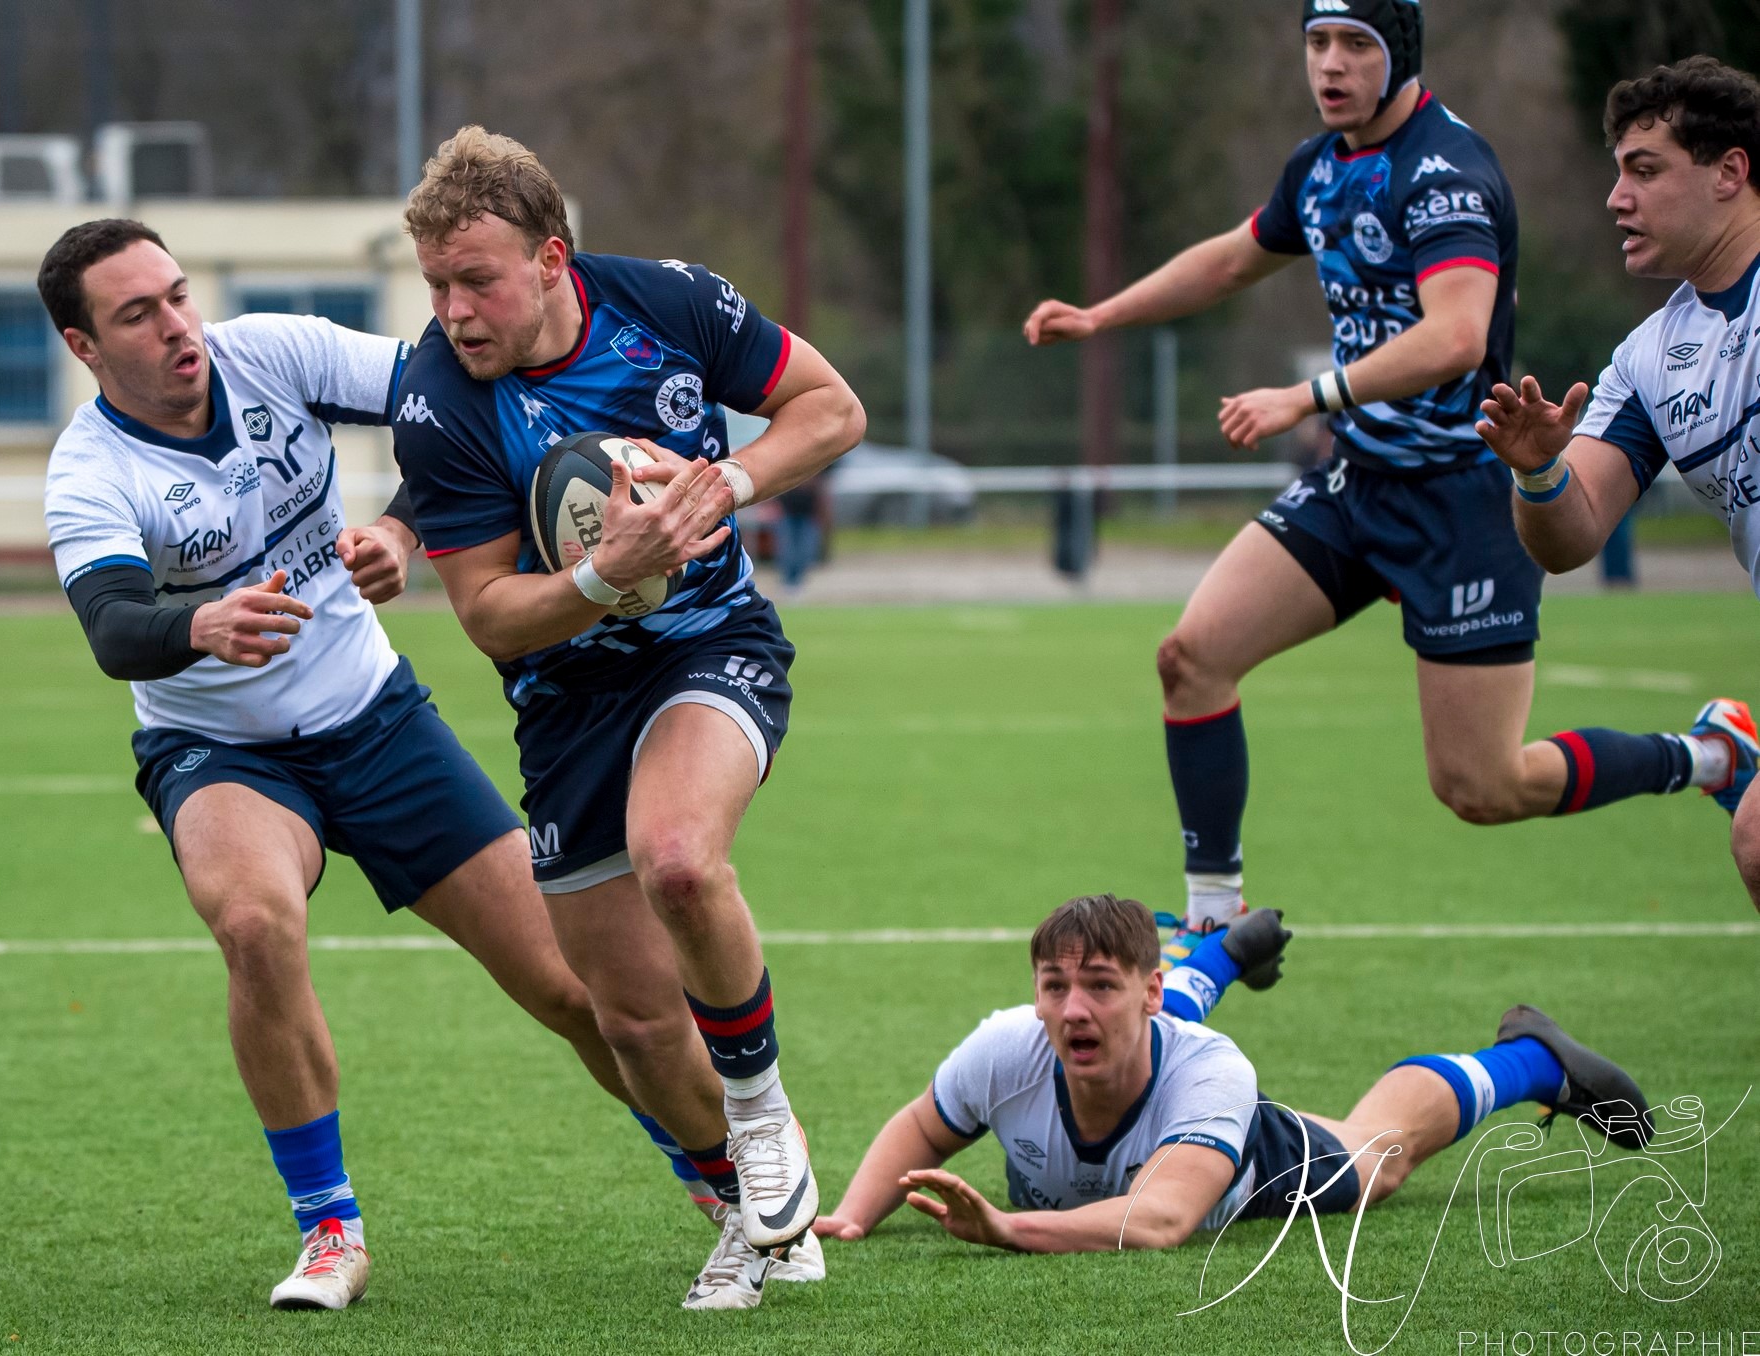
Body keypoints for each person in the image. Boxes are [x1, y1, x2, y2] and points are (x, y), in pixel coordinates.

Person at [1023, 0, 1734, 969]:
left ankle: (1708, 756)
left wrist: (1304, 395)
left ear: (1399, 53)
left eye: (1355, 43)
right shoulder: (1320, 167)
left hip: (1465, 502)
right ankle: (1215, 914)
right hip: (1360, 487)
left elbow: (1457, 337)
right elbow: (1234, 258)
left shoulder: (1446, 177)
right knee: (1190, 658)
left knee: (1481, 786)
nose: (1330, 64)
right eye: (1316, 43)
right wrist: (1102, 317)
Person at [39, 218, 652, 1312]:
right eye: (138, 314)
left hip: (374, 718)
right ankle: (329, 1230)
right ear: (85, 347)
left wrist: (407, 529)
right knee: (255, 926)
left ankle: (722, 1171)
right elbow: (113, 624)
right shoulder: (90, 470)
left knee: (571, 989)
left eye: (177, 294)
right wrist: (201, 625)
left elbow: (451, 399)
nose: (178, 324)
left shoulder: (272, 352)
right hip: (217, 749)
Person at [389, 127, 867, 1309]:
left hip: (712, 648)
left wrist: (721, 489)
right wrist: (612, 572)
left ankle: (762, 1115)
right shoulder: (437, 402)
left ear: (553, 258)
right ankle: (744, 1215)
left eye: (479, 279)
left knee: (679, 860)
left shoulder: (668, 304)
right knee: (636, 1023)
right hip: (566, 703)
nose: (455, 310)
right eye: (438, 285)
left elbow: (832, 410)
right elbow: (494, 619)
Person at [814, 894, 1654, 1252]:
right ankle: (1216, 954)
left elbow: (1161, 1219)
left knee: (1378, 1156)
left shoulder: (1216, 1074)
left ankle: (1529, 1058)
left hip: (1244, 1157)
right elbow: (924, 1123)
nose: (1068, 1007)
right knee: (1116, 1032)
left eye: (1096, 985)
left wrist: (1009, 1229)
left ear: (1144, 989)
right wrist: (852, 1217)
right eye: (1053, 987)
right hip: (1152, 1049)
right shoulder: (1007, 1043)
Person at [1476, 55, 1760, 907]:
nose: (1615, 197)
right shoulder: (1646, 360)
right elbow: (1574, 533)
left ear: (1729, 173)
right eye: (1616, 172)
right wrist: (1538, 472)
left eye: (1644, 170)